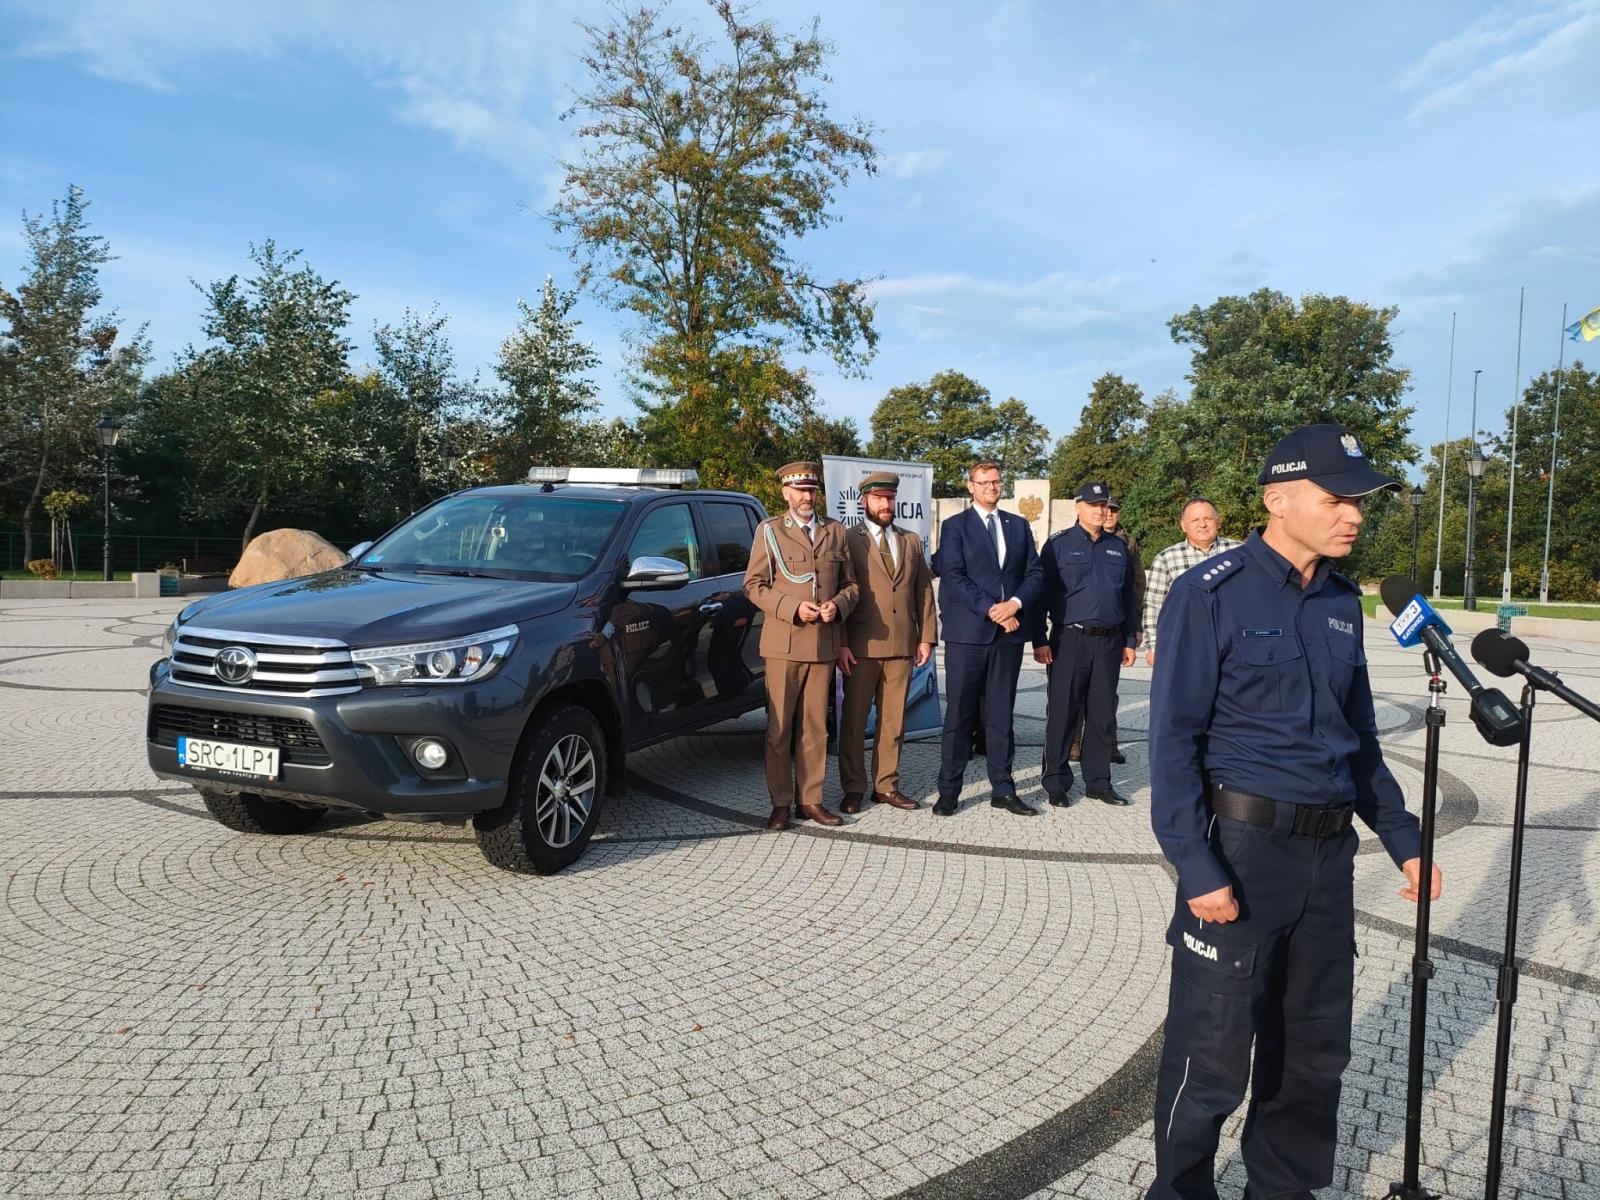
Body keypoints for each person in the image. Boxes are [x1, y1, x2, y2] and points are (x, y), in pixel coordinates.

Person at [1145, 424, 1443, 1200]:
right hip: (1241, 854)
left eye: (1361, 502)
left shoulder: (1344, 604)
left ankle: (1281, 1190)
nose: (1355, 515)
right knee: (1209, 1059)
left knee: (1314, 1054)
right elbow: (1173, 739)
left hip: (1329, 858)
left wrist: (1405, 839)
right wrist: (1196, 863)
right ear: (1279, 500)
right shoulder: (1208, 591)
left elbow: (1360, 739)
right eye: (1338, 498)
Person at [743, 461, 859, 832]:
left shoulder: (835, 532)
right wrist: (793, 607)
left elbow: (851, 586)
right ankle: (780, 804)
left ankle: (811, 800)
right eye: (800, 490)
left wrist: (837, 606)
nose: (807, 497)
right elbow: (754, 585)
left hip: (823, 644)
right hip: (783, 644)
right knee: (779, 729)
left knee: (815, 728)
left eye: (812, 490)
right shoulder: (770, 531)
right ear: (786, 494)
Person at [931, 460, 1043, 817]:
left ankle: (1003, 788)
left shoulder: (1018, 526)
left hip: (1006, 637)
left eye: (996, 482)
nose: (991, 487)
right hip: (968, 635)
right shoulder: (955, 527)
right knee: (959, 715)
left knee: (1000, 716)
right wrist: (992, 608)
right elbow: (952, 574)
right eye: (984, 482)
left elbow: (1035, 573)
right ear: (971, 486)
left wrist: (1014, 604)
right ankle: (949, 789)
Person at [1032, 481, 1138, 808]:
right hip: (1069, 640)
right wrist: (1039, 638)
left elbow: (1129, 597)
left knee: (1102, 714)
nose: (1100, 510)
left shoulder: (1119, 548)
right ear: (1078, 507)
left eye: (1104, 504)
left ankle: (1098, 781)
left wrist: (1130, 639)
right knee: (1063, 712)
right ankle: (1056, 782)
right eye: (1093, 504)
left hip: (1109, 642)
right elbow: (1040, 595)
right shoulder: (1058, 545)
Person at [836, 471, 937, 813]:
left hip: (902, 645)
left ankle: (886, 785)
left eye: (890, 499)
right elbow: (841, 593)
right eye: (879, 498)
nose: (886, 505)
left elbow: (923, 590)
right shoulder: (849, 539)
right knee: (853, 720)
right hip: (860, 647)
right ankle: (853, 787)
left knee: (893, 721)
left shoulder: (909, 541)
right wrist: (841, 643)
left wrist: (926, 637)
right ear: (864, 500)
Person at [1069, 495, 1144, 765]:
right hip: (1078, 631)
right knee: (1076, 693)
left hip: (1114, 629)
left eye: (1113, 510)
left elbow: (1135, 588)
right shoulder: (1070, 540)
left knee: (1106, 696)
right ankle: (1074, 743)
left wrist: (1134, 627)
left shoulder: (1127, 545)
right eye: (1104, 509)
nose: (1108, 514)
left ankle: (1107, 745)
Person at [1140, 497, 1242, 669]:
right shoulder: (1166, 559)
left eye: (1208, 519)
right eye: (1195, 520)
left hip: (1235, 644)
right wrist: (1154, 647)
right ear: (1183, 526)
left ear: (1218, 522)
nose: (1202, 524)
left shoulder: (1240, 553)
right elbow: (1153, 605)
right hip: (1186, 644)